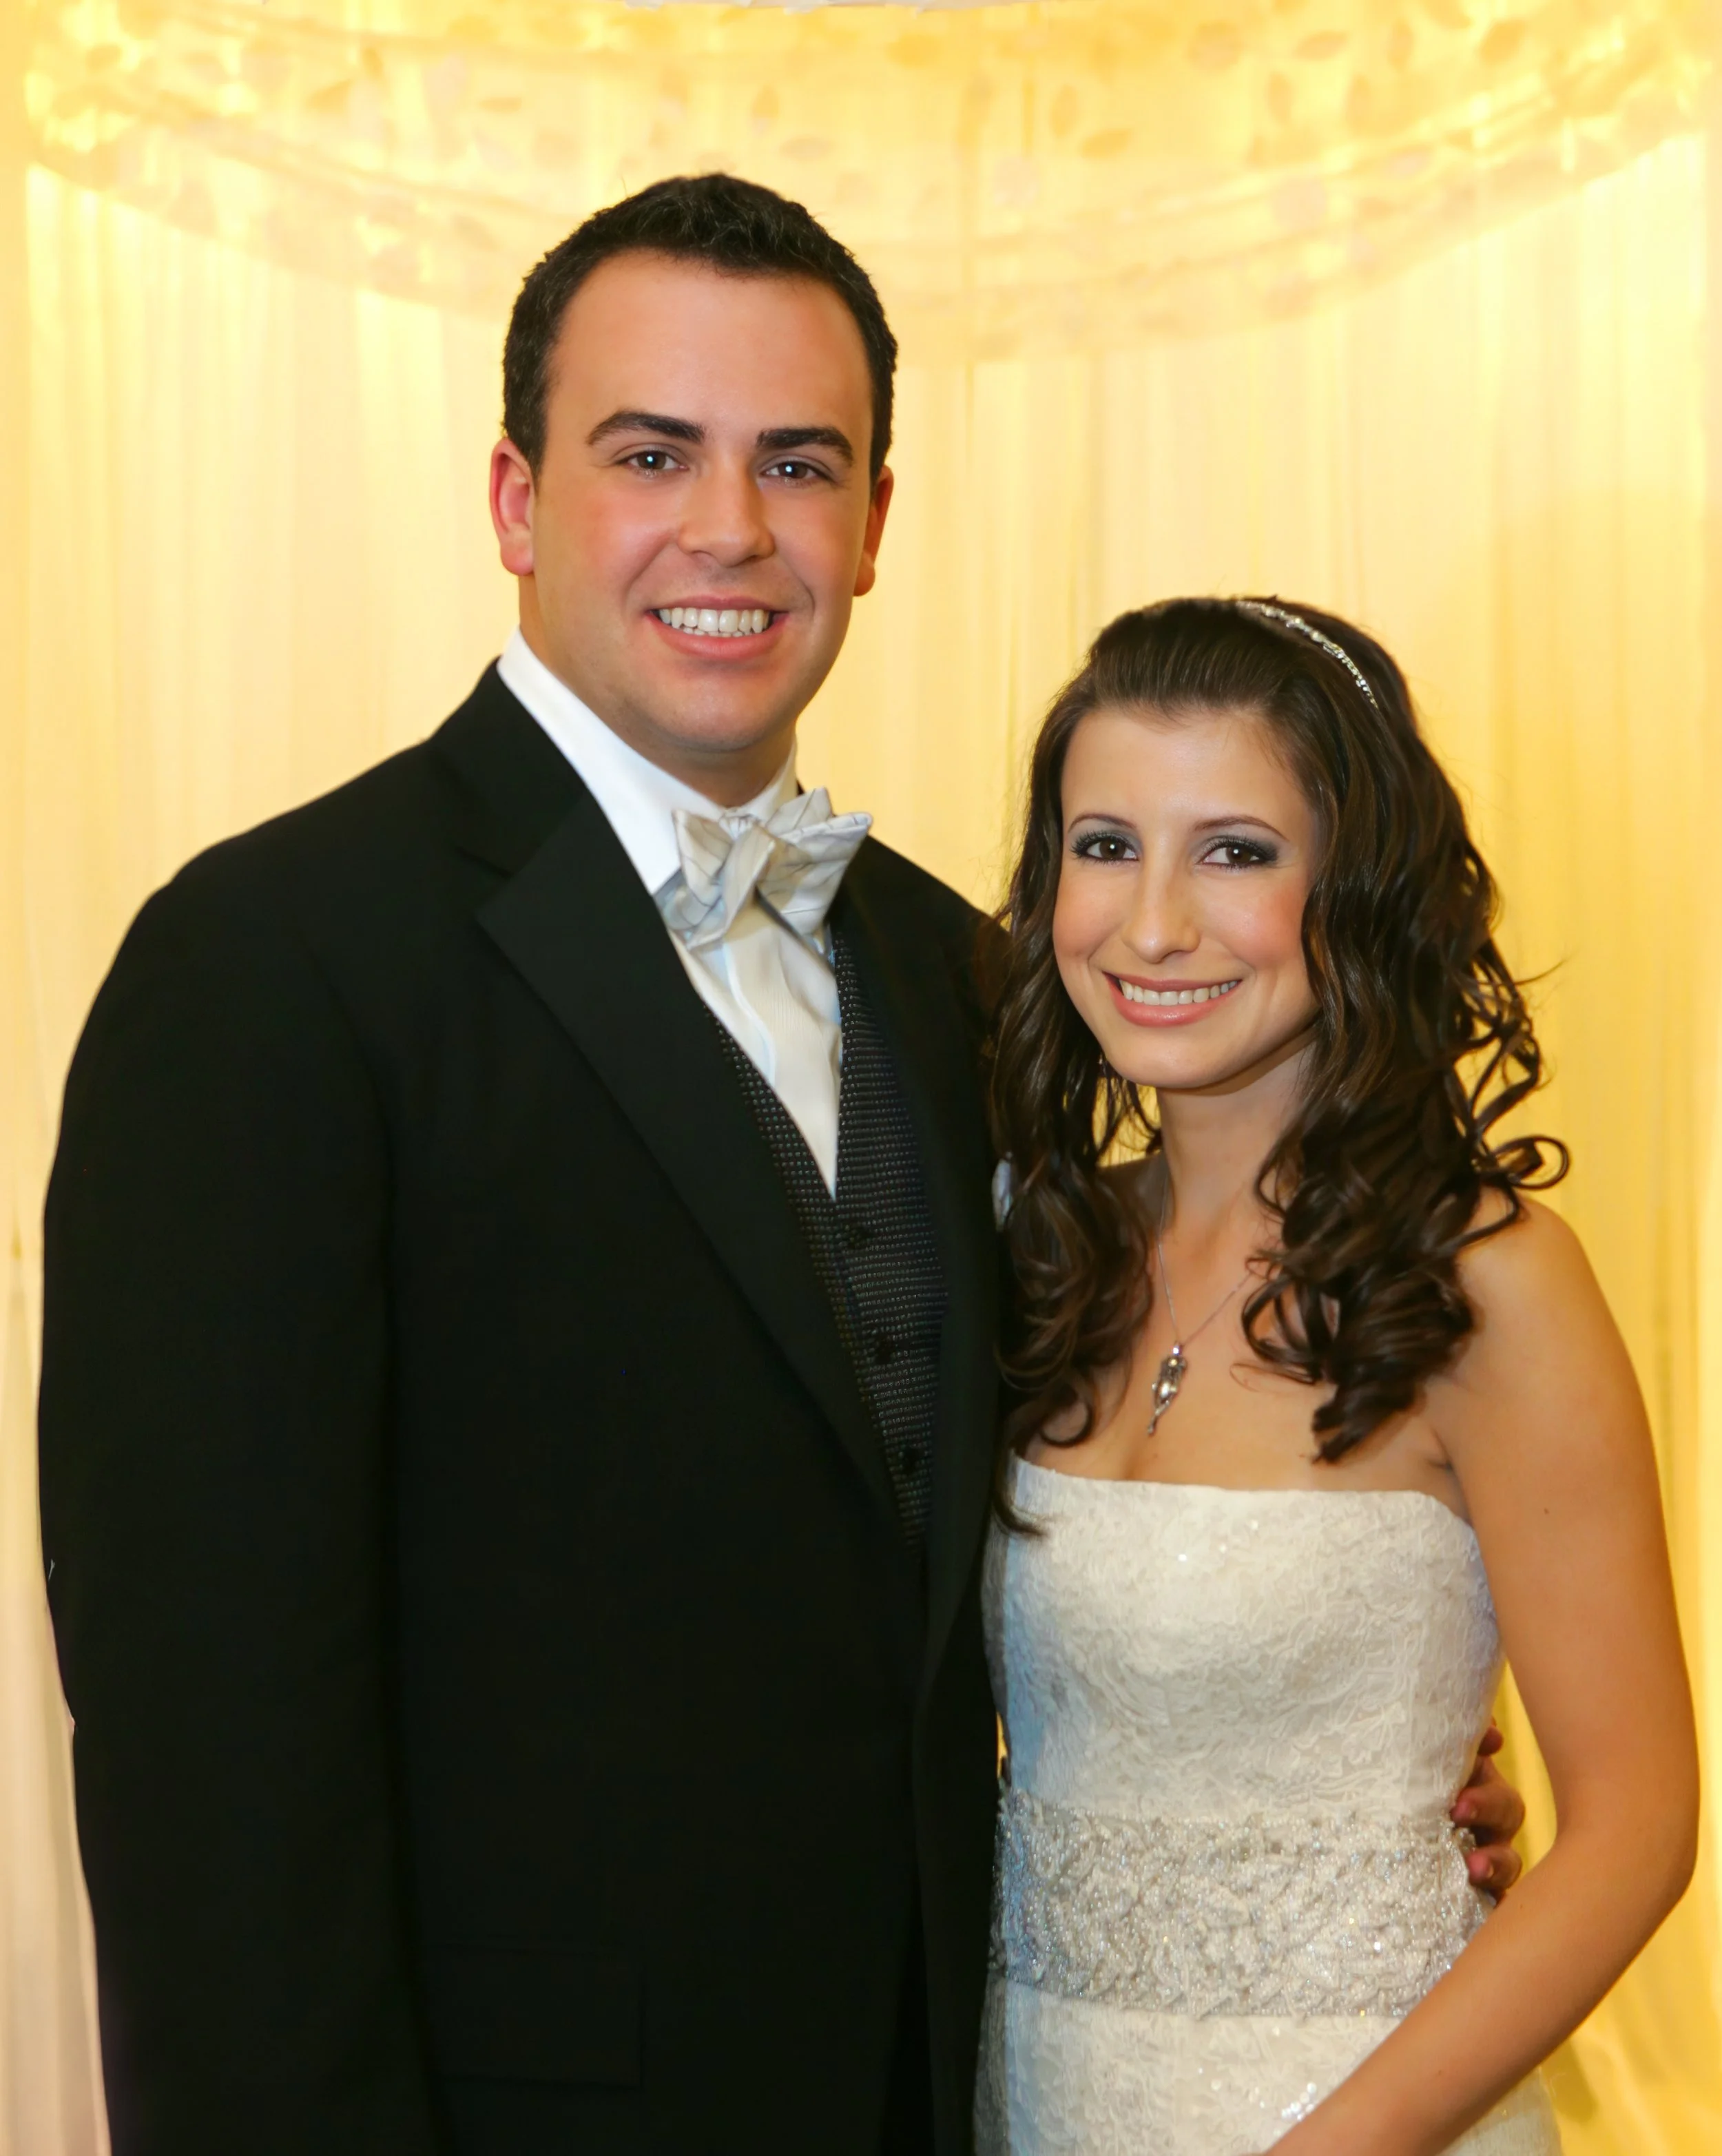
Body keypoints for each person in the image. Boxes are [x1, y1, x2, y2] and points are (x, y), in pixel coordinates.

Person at [37, 176, 1528, 2156]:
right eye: (651, 453)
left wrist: (1327, 1730)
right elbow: (206, 1771)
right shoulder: (273, 964)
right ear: (514, 498)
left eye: (797, 464)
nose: (729, 530)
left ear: (876, 524)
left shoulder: (969, 972)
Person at [977, 597, 1699, 2154]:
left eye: (1233, 850)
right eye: (1103, 845)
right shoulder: (1039, 1250)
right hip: (1032, 2093)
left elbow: (1635, 1823)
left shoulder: (1484, 1281)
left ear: (1354, 890)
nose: (1150, 923)